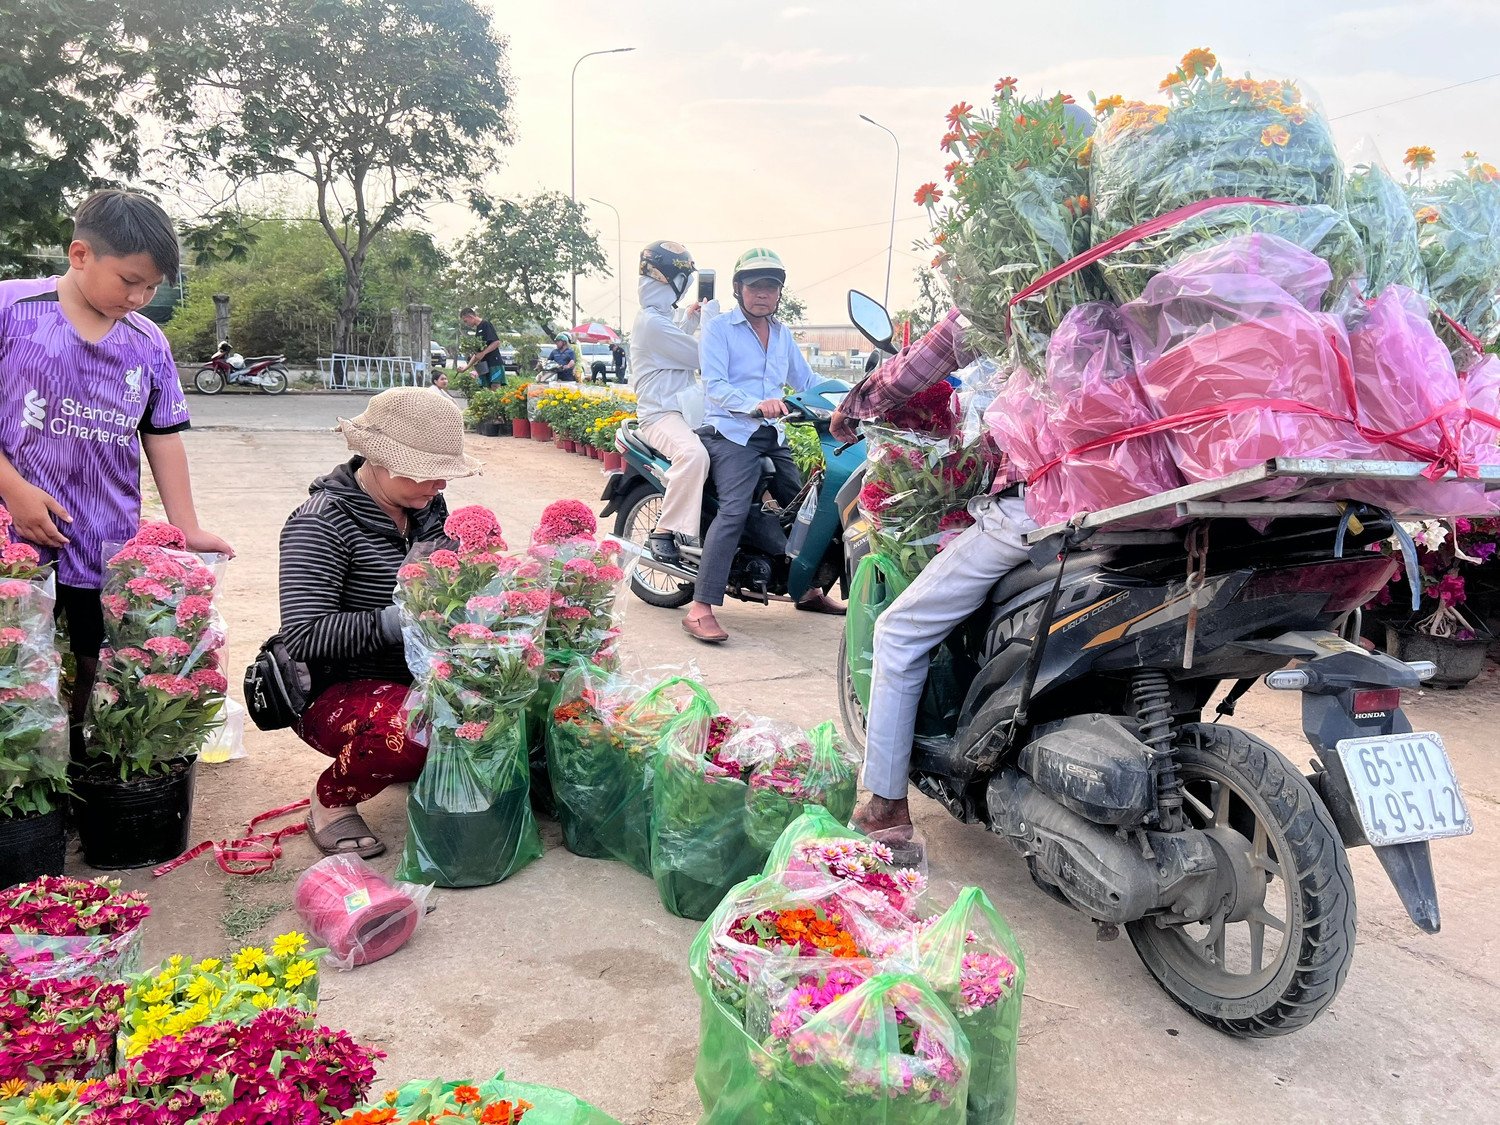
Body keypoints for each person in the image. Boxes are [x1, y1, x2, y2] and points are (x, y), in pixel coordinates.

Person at [0, 189, 233, 754]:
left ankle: (79, 766)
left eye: (152, 287)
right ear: (80, 254)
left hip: (104, 537)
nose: (139, 296)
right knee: (15, 660)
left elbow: (162, 433)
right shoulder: (12, 308)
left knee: (97, 658)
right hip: (13, 531)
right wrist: (14, 492)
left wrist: (185, 525)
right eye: (129, 280)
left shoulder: (147, 341)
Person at [832, 308, 1031, 839]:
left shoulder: (1021, 275)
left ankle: (885, 808)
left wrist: (858, 406)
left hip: (1041, 506)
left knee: (897, 631)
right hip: (1147, 511)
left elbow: (924, 361)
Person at [279, 387, 481, 857]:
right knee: (419, 729)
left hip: (417, 677)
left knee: (506, 705)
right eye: (429, 474)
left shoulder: (427, 510)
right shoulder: (320, 523)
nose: (441, 486)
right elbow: (304, 635)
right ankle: (330, 800)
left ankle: (399, 756)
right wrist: (405, 620)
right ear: (379, 460)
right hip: (334, 690)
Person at [688, 247, 843, 642]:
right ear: (739, 288)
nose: (763, 294)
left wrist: (845, 403)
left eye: (771, 288)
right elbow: (716, 385)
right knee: (735, 510)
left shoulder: (782, 334)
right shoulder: (720, 328)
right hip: (730, 433)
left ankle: (805, 588)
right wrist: (755, 404)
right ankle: (700, 606)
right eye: (755, 286)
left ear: (779, 294)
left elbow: (806, 382)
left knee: (808, 506)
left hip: (772, 435)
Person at [631, 240, 712, 566]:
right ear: (674, 282)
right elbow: (699, 356)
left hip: (686, 412)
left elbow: (676, 334)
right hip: (660, 415)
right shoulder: (651, 323)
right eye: (684, 281)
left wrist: (692, 319)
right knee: (692, 455)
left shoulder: (659, 316)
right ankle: (664, 531)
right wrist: (709, 324)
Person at [457, 307, 502, 388]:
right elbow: (477, 354)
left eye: (465, 321)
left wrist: (483, 353)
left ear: (471, 316)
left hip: (493, 362)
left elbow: (496, 342)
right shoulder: (478, 329)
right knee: (485, 387)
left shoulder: (485, 324)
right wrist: (466, 368)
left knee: (495, 386)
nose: (466, 324)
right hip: (484, 364)